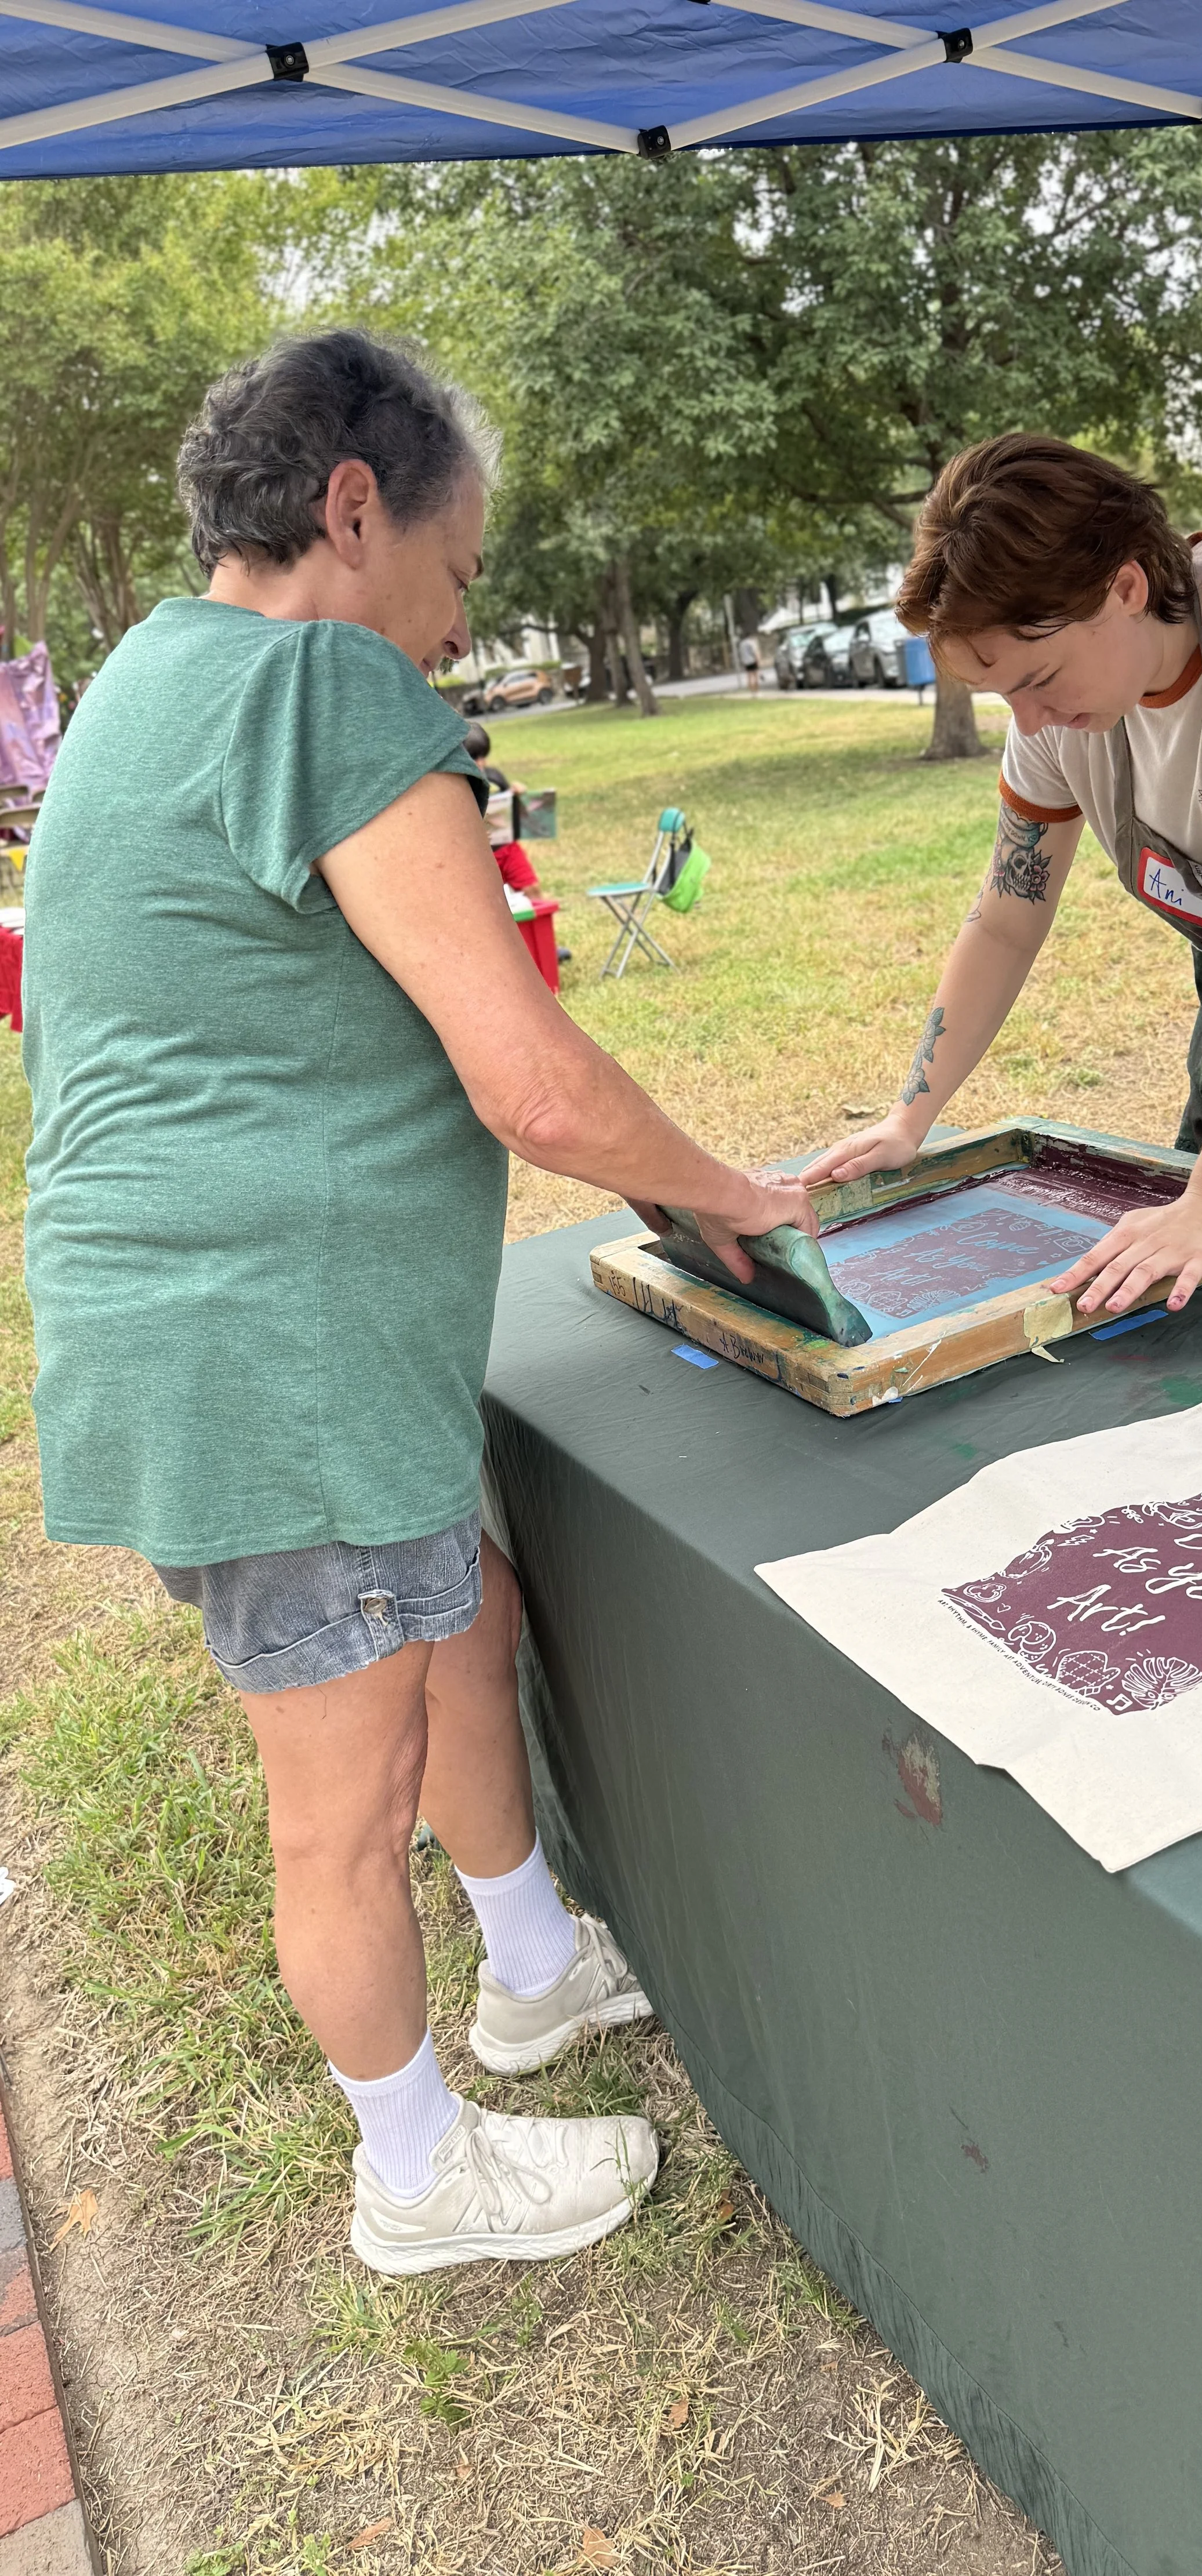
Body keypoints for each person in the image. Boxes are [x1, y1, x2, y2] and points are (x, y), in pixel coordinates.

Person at [21, 330, 815, 2277]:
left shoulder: (157, 668)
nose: (455, 634)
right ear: (352, 508)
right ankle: (417, 2178)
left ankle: (532, 1958)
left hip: (245, 1327)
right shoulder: (320, 684)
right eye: (458, 579)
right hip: (265, 1344)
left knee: (459, 1620)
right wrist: (733, 1196)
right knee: (340, 1789)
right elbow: (529, 1072)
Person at [806, 434, 1202, 1317]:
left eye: (1038, 678)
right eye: (1005, 699)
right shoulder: (1059, 716)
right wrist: (910, 1117)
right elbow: (1005, 918)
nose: (1030, 721)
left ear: (1126, 585)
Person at [460, 720, 571, 962]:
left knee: (532, 889)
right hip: (481, 857)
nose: (481, 763)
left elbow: (513, 807)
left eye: (483, 756)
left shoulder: (495, 777)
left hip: (509, 849)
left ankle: (548, 945)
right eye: (474, 757)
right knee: (490, 906)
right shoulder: (458, 787)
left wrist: (518, 795)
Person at [738, 631, 760, 695]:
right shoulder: (751, 643)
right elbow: (754, 652)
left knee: (749, 677)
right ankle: (757, 691)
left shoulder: (742, 644)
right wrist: (758, 660)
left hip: (746, 662)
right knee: (756, 676)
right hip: (753, 661)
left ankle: (752, 692)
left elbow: (741, 654)